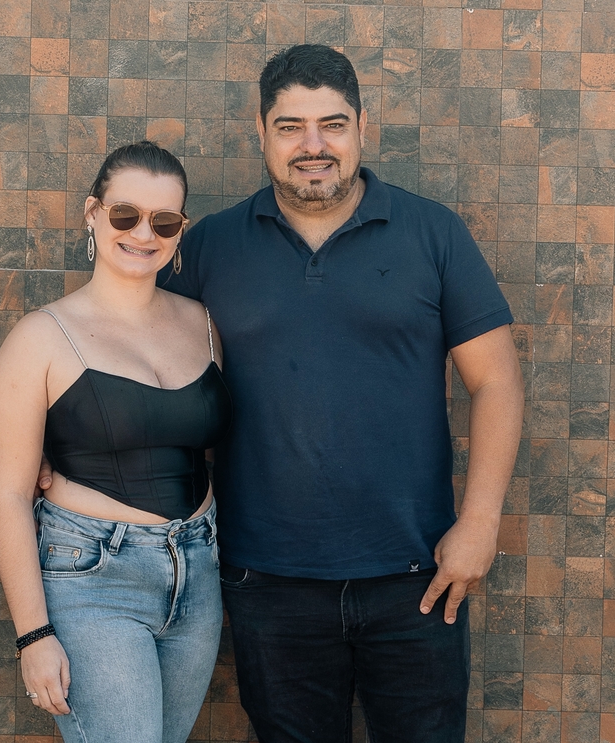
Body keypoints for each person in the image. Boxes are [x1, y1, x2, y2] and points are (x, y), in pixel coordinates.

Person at [160, 45, 524, 742]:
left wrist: (480, 523)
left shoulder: (432, 233)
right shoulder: (210, 247)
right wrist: (67, 450)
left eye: (332, 124)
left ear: (362, 127)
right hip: (266, 578)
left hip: (419, 574)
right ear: (261, 132)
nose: (313, 146)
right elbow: (142, 365)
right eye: (290, 126)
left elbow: (496, 380)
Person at [0, 141, 232, 743]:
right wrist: (34, 635)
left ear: (180, 231)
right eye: (126, 214)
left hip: (198, 574)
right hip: (94, 578)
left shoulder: (202, 324)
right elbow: (10, 497)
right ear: (92, 213)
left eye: (164, 222)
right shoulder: (41, 338)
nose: (143, 233)